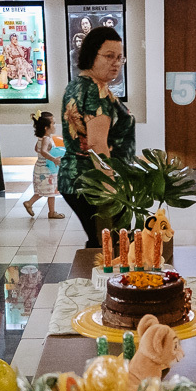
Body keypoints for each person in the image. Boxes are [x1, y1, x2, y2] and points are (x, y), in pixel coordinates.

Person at [59, 26, 135, 248]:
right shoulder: (95, 91)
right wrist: (110, 190)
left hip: (77, 179)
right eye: (109, 56)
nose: (116, 63)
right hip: (94, 182)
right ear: (92, 55)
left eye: (119, 57)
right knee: (112, 248)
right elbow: (97, 144)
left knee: (101, 243)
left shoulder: (78, 84)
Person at [24, 111, 65, 219]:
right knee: (51, 192)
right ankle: (52, 212)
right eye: (53, 123)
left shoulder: (41, 138)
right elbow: (43, 151)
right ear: (46, 128)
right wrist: (53, 159)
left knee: (43, 189)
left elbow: (36, 149)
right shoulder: (46, 139)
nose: (55, 125)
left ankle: (29, 203)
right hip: (47, 169)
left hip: (39, 167)